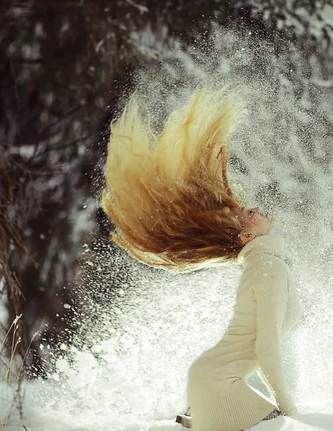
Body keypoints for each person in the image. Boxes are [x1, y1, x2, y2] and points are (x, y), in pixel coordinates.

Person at [101, 88, 302, 431]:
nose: (252, 208)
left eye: (247, 210)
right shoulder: (267, 268)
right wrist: (292, 409)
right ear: (246, 237)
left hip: (213, 381)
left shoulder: (265, 265)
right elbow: (266, 347)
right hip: (217, 385)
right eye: (247, 215)